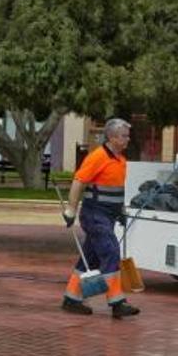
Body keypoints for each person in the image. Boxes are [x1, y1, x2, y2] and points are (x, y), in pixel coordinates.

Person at [60, 118, 140, 318]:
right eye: (124, 136)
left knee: (90, 258)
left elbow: (115, 190)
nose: (128, 139)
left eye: (128, 136)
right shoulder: (98, 157)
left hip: (109, 215)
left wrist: (120, 210)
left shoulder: (121, 160)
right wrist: (70, 209)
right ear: (112, 137)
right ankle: (117, 302)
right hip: (94, 215)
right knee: (111, 251)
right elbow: (79, 182)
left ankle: (72, 299)